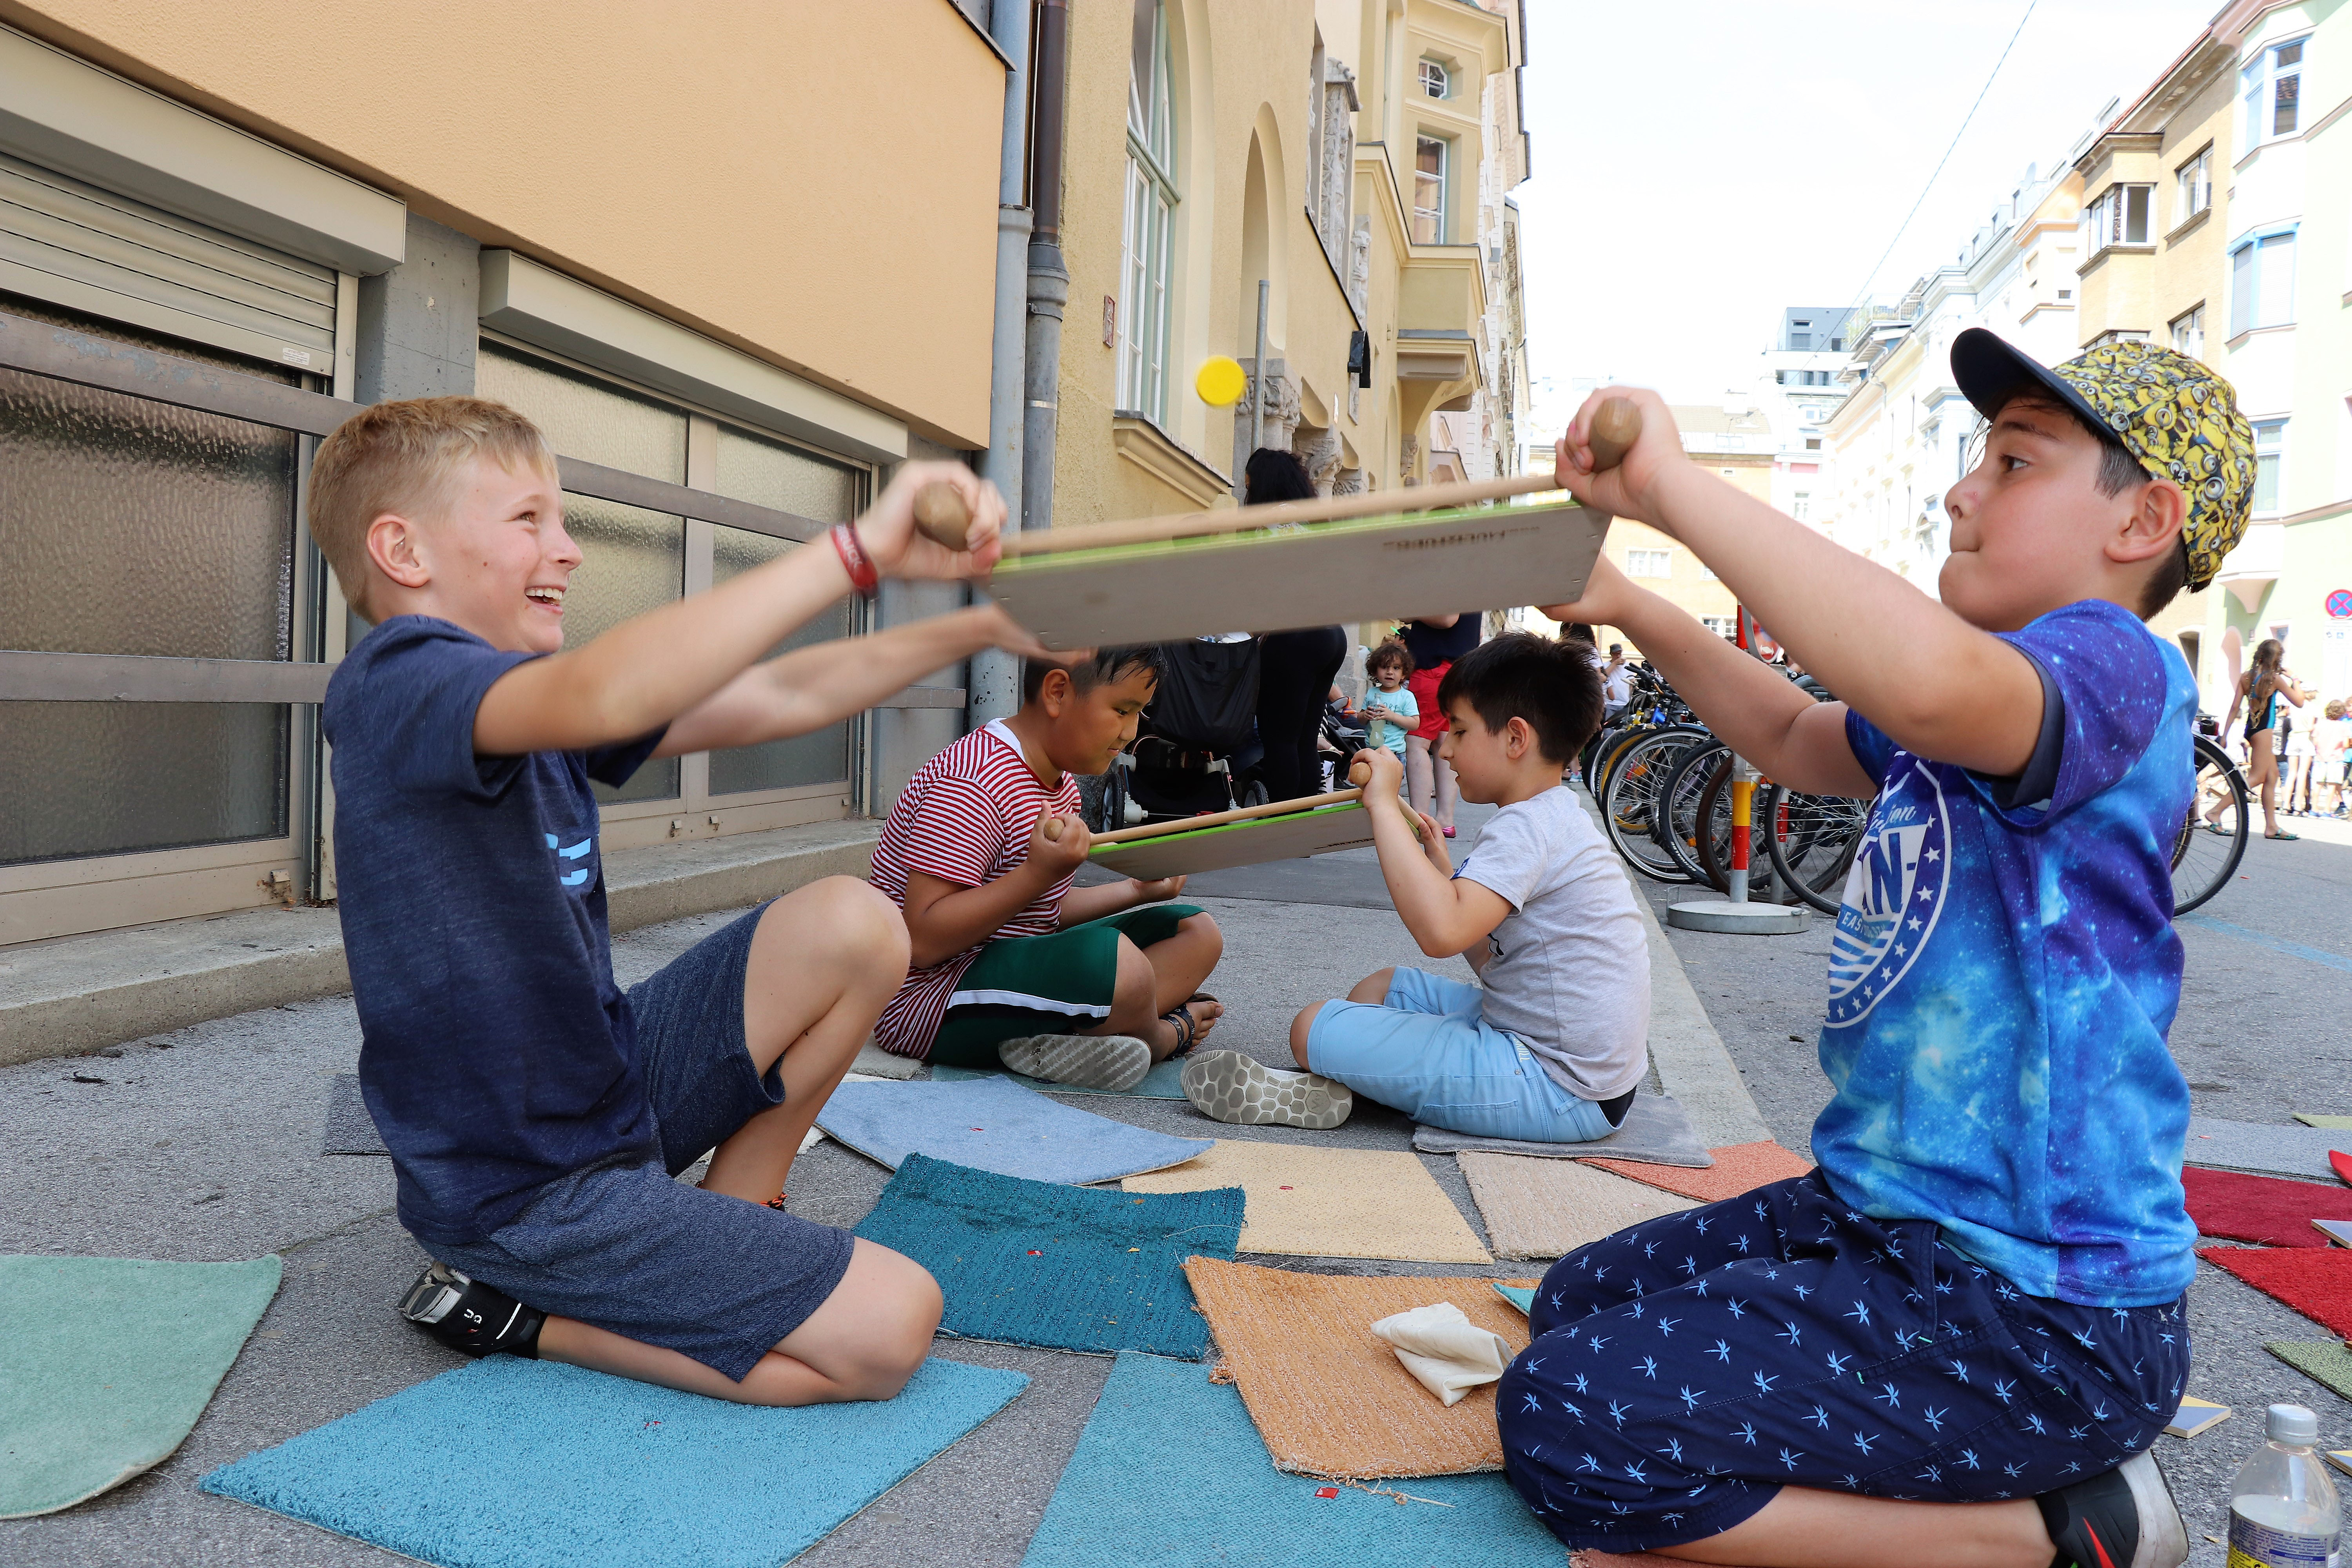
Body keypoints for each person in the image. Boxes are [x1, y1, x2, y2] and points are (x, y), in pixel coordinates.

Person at [1503, 332, 2256, 1568]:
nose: (1962, 489)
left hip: (2032, 1309)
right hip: (1875, 1222)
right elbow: (1798, 733)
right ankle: (1991, 1479)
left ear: (2142, 523)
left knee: (1569, 1418)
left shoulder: (2109, 666)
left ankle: (2059, 1528)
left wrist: (1671, 495)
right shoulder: (1975, 700)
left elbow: (1915, 678)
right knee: (1572, 1305)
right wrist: (1632, 603)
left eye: (2011, 462)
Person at [314, 396, 1045, 1406]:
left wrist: (993, 622)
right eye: (529, 519)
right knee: (891, 1332)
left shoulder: (523, 696)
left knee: (857, 921)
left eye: (562, 520)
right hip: (523, 1193)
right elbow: (613, 692)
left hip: (606, 1094)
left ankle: (735, 1210)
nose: (567, 550)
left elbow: (782, 696)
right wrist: (855, 551)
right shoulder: (397, 685)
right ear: (402, 550)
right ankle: (520, 1318)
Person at [1180, 633, 1649, 1137]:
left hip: (1555, 1085)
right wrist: (1446, 877)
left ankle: (1344, 1078)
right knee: (1380, 989)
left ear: (1516, 739)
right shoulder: (1553, 817)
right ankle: (1359, 1079)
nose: (1445, 748)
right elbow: (1491, 955)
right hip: (1578, 1070)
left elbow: (1440, 934)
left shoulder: (1527, 827)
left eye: (1460, 731)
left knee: (1310, 1026)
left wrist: (1383, 801)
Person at [869, 647, 1226, 1091]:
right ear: (1057, 692)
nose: (1132, 733)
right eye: (1122, 710)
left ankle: (1084, 1036)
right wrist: (1037, 873)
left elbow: (1038, 912)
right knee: (1122, 966)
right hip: (928, 1002)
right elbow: (921, 940)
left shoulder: (1060, 784)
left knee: (1196, 932)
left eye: (1141, 715)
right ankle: (1156, 1036)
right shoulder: (974, 781)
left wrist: (1137, 891)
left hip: (1010, 967)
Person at [1243, 450, 1350, 803]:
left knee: (1280, 737)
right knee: (1305, 734)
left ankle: (1283, 819)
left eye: (1249, 482)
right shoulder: (1312, 519)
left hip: (1294, 636)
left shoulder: (1272, 519)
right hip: (1330, 634)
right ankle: (1304, 816)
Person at [1399, 610, 1481, 837]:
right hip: (1459, 669)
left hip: (1432, 670)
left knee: (1418, 744)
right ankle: (1445, 820)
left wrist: (1412, 612)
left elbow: (1446, 617)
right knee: (1445, 743)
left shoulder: (1450, 574)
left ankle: (1419, 819)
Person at [2220, 639, 2302, 839]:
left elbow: (2234, 707)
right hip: (2265, 730)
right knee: (2256, 777)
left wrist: (2224, 735)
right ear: (2277, 659)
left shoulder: (2246, 677)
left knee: (2272, 776)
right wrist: (2296, 679)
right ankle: (2215, 812)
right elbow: (2299, 701)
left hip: (2252, 729)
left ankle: (2272, 827)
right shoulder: (2275, 679)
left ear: (2259, 655)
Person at [1354, 640, 1419, 759]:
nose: (1390, 672)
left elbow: (1415, 724)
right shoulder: (1372, 692)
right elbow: (1360, 719)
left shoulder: (1406, 696)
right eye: (1385, 667)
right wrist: (1365, 716)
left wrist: (1392, 716)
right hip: (1371, 749)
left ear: (1404, 674)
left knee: (1392, 778)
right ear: (1375, 672)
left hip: (1395, 752)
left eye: (1396, 668)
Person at [2317, 699, 2348, 818]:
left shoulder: (2321, 723)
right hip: (2336, 758)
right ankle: (2327, 810)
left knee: (2318, 784)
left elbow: (2316, 740)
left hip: (2321, 757)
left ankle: (2314, 809)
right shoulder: (2343, 726)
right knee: (2332, 785)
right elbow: (2346, 744)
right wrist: (2342, 750)